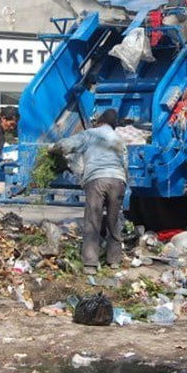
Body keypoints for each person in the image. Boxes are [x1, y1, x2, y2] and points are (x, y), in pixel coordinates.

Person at [52, 109, 128, 275]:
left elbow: (65, 145)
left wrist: (52, 150)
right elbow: (125, 164)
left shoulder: (90, 134)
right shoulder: (119, 139)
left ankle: (90, 264)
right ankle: (114, 261)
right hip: (118, 180)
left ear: (99, 121)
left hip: (97, 179)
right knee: (114, 221)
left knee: (93, 220)